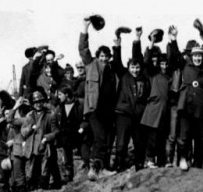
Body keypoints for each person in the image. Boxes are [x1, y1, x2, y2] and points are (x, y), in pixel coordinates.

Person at [167, 22, 203, 173]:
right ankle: (182, 159)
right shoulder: (185, 66)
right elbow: (174, 56)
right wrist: (173, 39)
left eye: (200, 56)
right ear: (191, 57)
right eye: (195, 56)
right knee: (184, 135)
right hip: (185, 106)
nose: (197, 58)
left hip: (201, 108)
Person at [79, 17, 118, 180]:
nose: (104, 59)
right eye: (102, 56)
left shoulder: (112, 71)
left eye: (106, 56)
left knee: (107, 140)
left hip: (108, 110)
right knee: (100, 138)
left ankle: (103, 168)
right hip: (94, 109)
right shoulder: (91, 64)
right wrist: (85, 28)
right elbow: (83, 49)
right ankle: (94, 169)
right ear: (98, 56)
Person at [112, 30, 150, 171]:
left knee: (139, 142)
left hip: (138, 115)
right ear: (128, 68)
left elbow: (138, 55)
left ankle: (139, 164)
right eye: (132, 67)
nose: (135, 70)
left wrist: (137, 39)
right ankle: (119, 165)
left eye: (137, 67)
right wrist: (117, 46)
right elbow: (117, 62)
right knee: (121, 142)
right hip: (123, 114)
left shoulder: (144, 78)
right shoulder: (124, 75)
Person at [21, 88, 61, 190]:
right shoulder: (29, 116)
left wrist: (46, 138)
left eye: (40, 102)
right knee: (30, 172)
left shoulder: (50, 115)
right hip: (32, 148)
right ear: (33, 104)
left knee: (45, 171)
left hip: (44, 148)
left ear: (43, 102)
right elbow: (23, 131)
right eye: (36, 102)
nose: (38, 104)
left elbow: (56, 132)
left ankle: (44, 191)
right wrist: (30, 127)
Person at [56, 86, 87, 182]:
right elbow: (56, 120)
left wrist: (82, 128)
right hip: (66, 136)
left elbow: (87, 117)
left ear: (66, 95)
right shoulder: (60, 107)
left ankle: (85, 174)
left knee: (84, 155)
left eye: (60, 94)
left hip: (79, 134)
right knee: (67, 158)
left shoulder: (80, 104)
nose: (58, 97)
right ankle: (68, 177)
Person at [5, 96, 32, 192]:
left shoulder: (23, 120)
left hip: (19, 150)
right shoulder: (30, 118)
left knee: (20, 176)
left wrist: (15, 107)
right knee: (23, 175)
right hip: (25, 149)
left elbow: (9, 119)